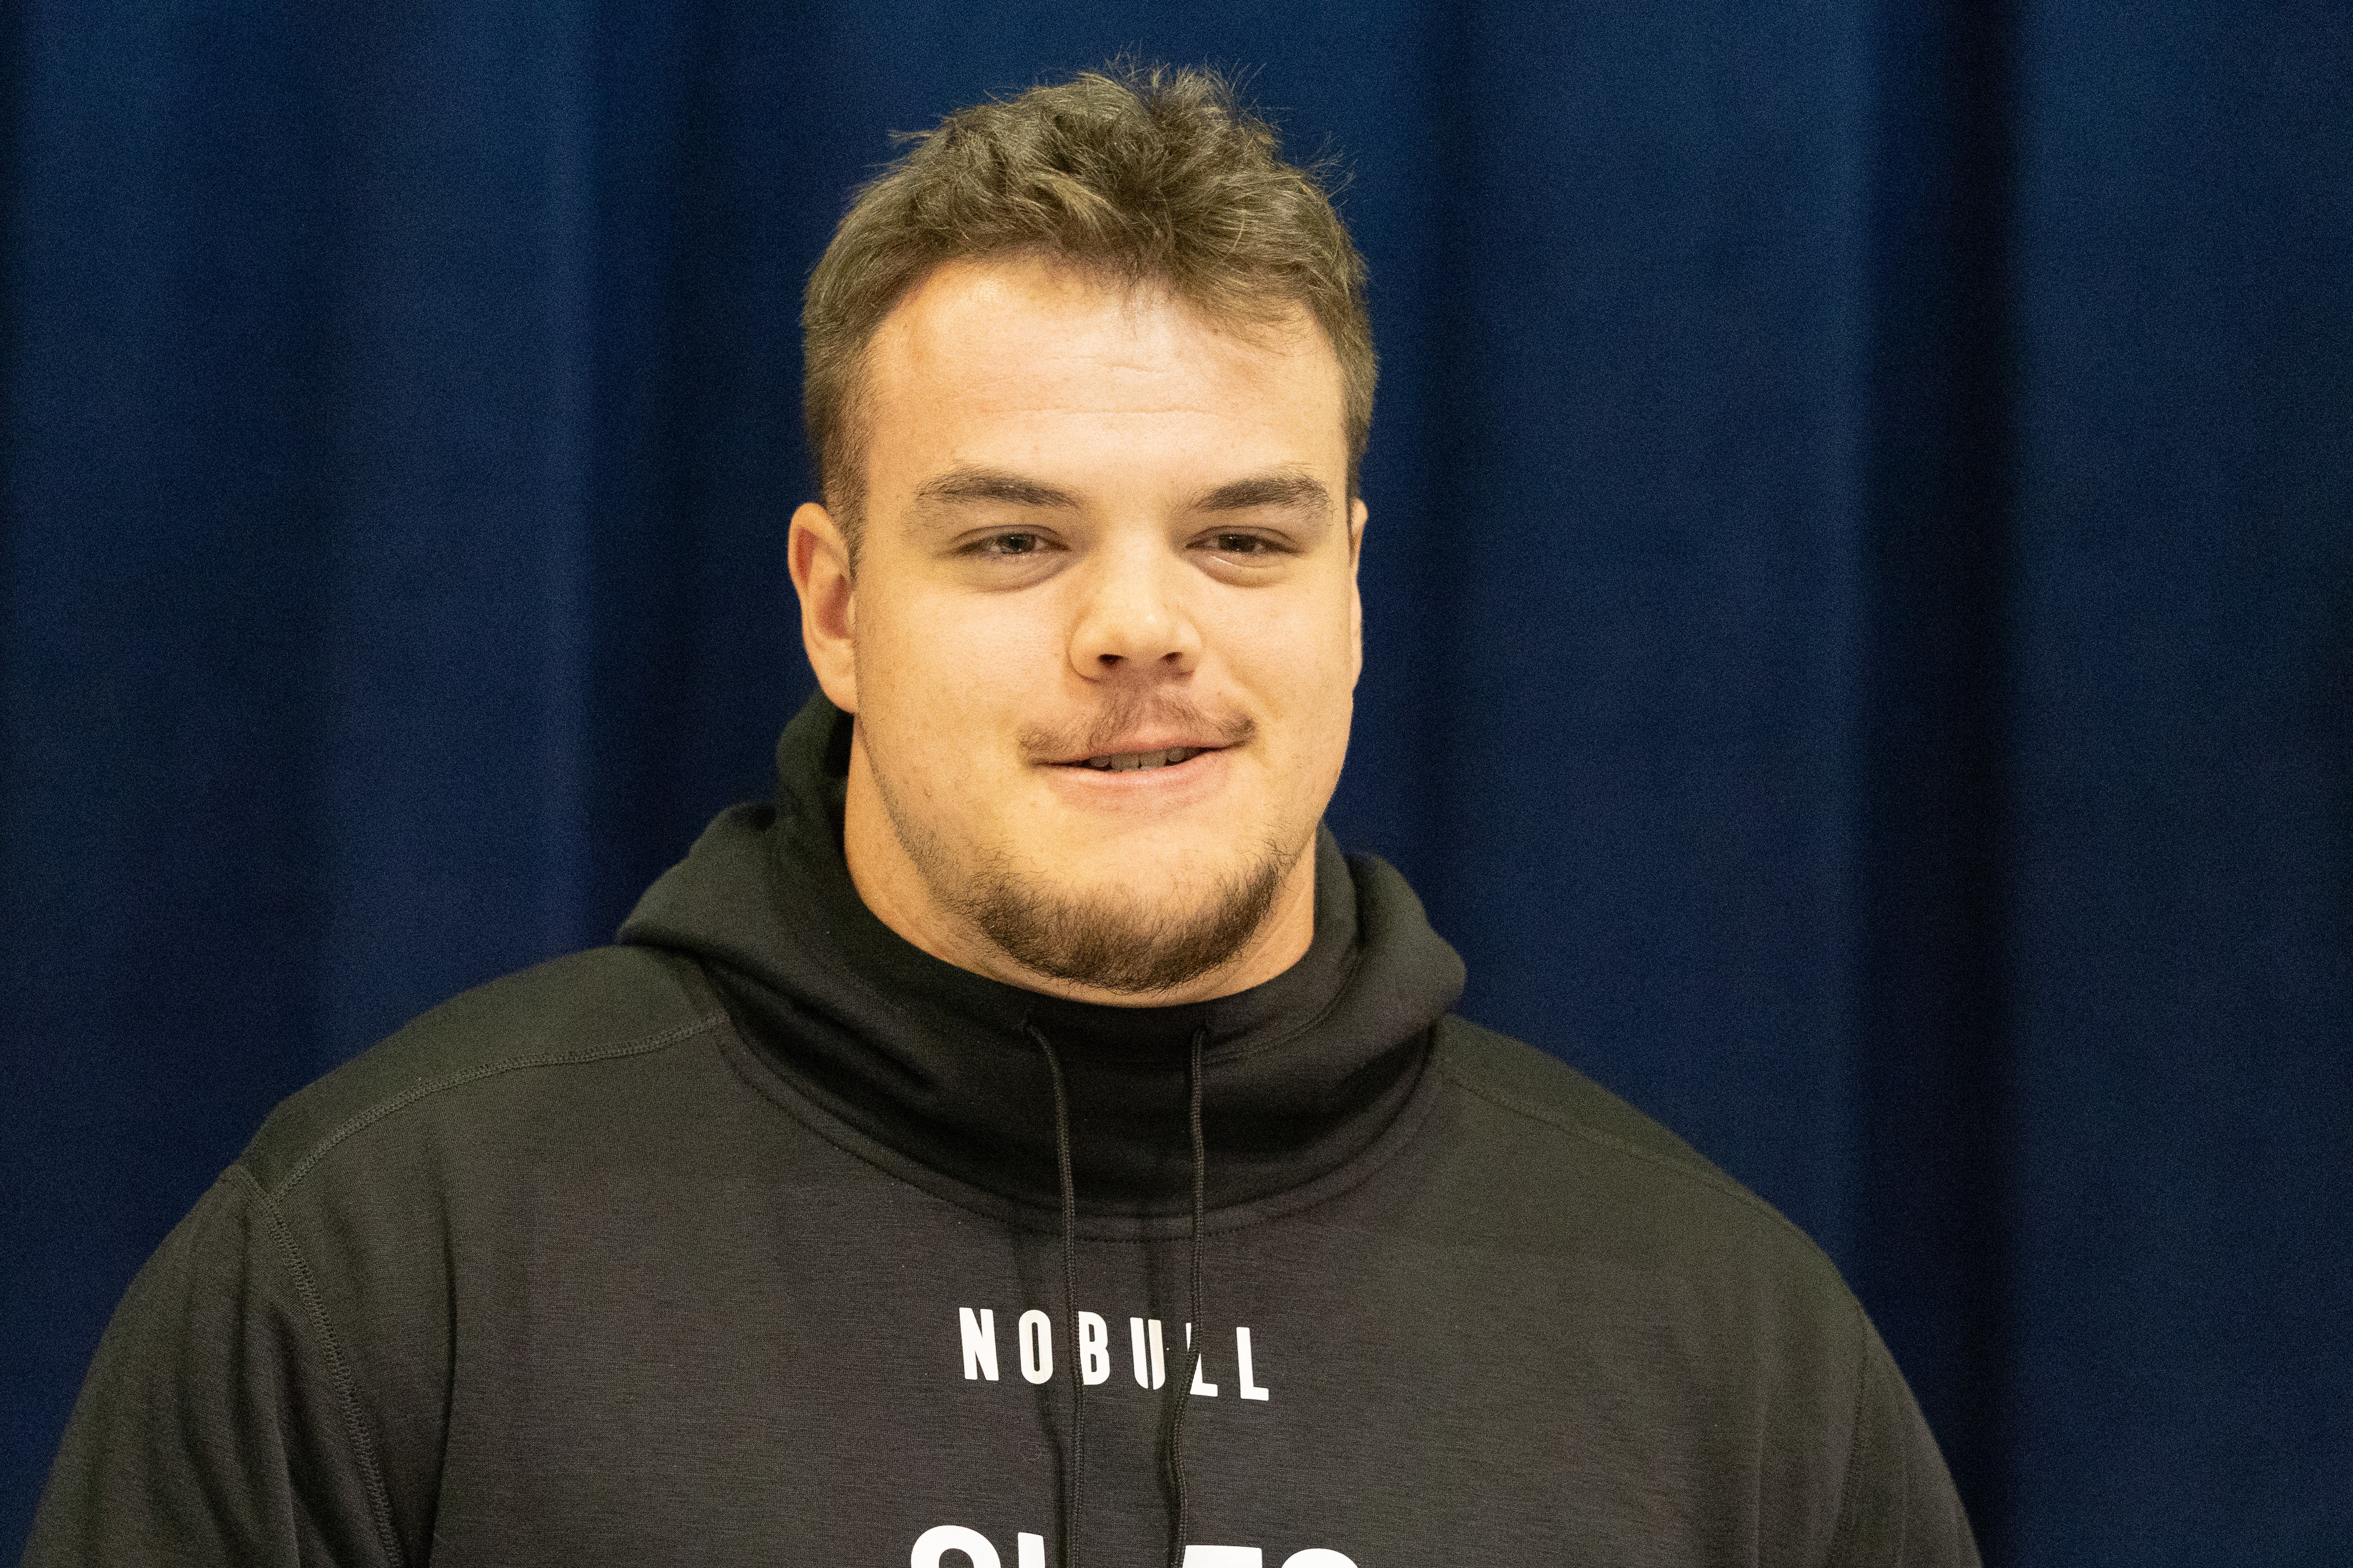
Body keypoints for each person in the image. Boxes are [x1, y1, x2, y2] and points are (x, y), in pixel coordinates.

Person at [24, 65, 1977, 1568]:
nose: (1139, 627)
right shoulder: (386, 1262)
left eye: (1239, 537)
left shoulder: (1725, 1349)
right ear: (837, 603)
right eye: (1015, 538)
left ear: (1351, 592)